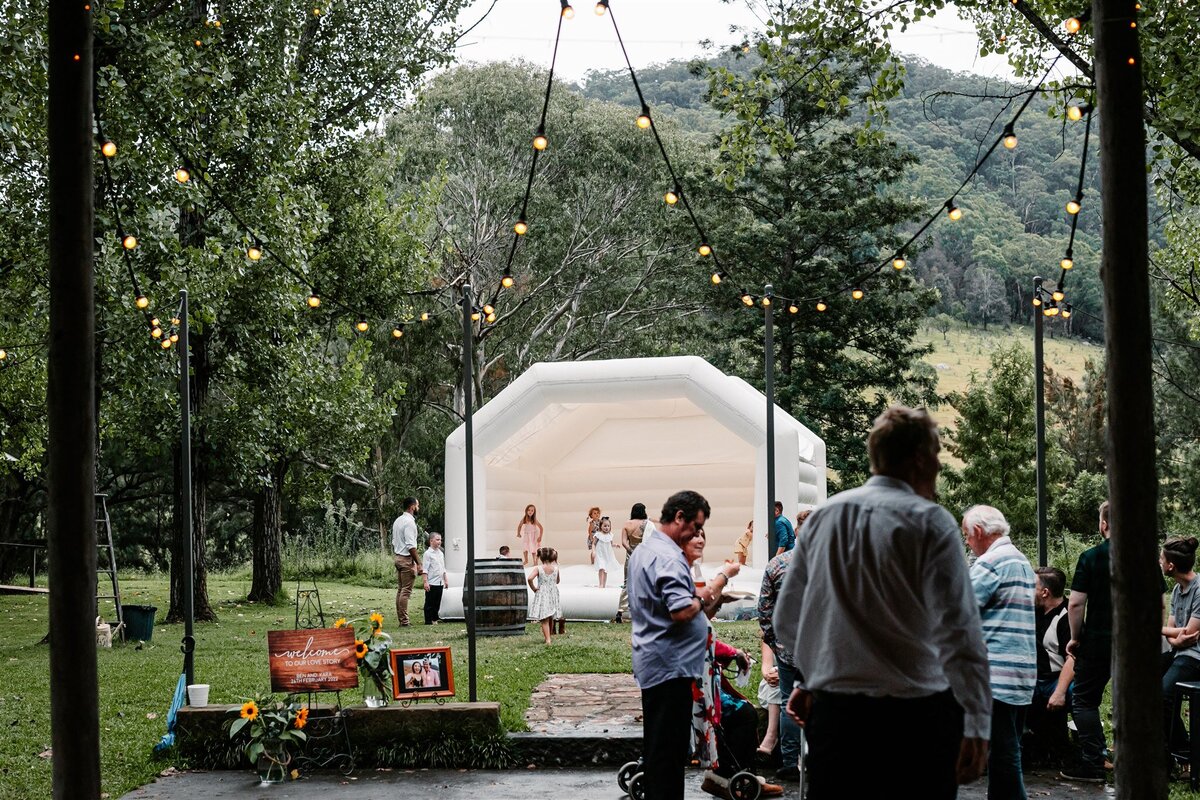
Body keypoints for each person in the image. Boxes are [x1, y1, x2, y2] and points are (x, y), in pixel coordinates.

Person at [774, 405, 991, 800]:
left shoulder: (824, 518)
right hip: (917, 722)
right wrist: (977, 725)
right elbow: (961, 634)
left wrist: (815, 677)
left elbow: (787, 617)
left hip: (837, 720)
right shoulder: (930, 522)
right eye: (938, 458)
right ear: (921, 460)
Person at [628, 491, 739, 800]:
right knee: (668, 754)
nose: (697, 534)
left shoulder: (644, 551)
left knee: (658, 750)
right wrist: (716, 585)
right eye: (695, 526)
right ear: (679, 518)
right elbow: (682, 610)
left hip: (654, 659)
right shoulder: (668, 557)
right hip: (670, 665)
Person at [684, 528, 782, 799]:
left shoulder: (691, 569)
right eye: (694, 535)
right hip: (688, 681)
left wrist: (732, 653)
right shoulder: (680, 571)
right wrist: (724, 577)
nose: (701, 539)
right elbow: (697, 613)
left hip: (699, 676)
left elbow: (705, 630)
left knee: (741, 713)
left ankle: (731, 774)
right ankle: (738, 776)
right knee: (743, 714)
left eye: (703, 533)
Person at [963, 504, 1036, 800]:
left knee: (1005, 756)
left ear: (979, 532)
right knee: (1006, 752)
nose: (967, 542)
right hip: (1019, 672)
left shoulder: (992, 563)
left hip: (996, 675)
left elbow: (959, 608)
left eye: (967, 536)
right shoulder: (1020, 561)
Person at [1061, 500, 1115, 783]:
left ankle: (1092, 763)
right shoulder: (1143, 557)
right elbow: (1158, 605)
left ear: (1104, 524)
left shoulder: (1091, 557)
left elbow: (1075, 604)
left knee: (1084, 699)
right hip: (1134, 643)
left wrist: (1074, 637)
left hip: (1098, 640)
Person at [758, 537, 803, 782]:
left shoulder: (777, 565)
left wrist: (774, 639)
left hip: (787, 647)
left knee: (788, 702)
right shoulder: (830, 562)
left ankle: (789, 762)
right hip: (820, 649)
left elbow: (764, 608)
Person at [1023, 566, 1076, 770]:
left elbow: (1072, 658)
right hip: (1033, 677)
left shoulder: (1067, 617)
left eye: (1031, 586)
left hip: (1057, 678)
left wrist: (1060, 692)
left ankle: (1089, 752)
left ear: (1045, 592)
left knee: (1074, 695)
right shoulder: (1032, 610)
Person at [1160, 536, 1200, 765]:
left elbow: (1191, 633)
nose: (1160, 562)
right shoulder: (1177, 589)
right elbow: (1177, 632)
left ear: (1171, 566)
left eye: (1161, 558)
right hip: (1180, 652)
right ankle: (1179, 747)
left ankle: (1177, 755)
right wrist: (1176, 639)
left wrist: (1171, 634)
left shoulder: (1199, 589)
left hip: (1196, 657)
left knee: (1163, 695)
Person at [391, 497, 424, 627]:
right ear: (412, 507)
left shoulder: (398, 520)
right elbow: (411, 546)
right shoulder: (409, 523)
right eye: (417, 505)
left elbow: (394, 541)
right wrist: (419, 563)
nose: (418, 508)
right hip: (406, 559)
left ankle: (402, 619)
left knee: (400, 590)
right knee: (406, 591)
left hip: (398, 557)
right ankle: (404, 621)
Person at [616, 503, 650, 623]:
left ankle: (620, 611)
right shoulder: (646, 524)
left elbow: (624, 542)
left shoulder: (627, 524)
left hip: (630, 556)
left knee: (627, 582)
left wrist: (631, 551)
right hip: (643, 555)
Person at [527, 546, 561, 645]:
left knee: (544, 619)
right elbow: (558, 581)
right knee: (551, 615)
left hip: (542, 593)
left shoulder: (538, 568)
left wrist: (534, 588)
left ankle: (548, 640)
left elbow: (529, 578)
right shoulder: (556, 569)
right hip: (553, 593)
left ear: (541, 557)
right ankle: (549, 636)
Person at [421, 533, 447, 625]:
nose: (439, 542)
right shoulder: (428, 554)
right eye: (437, 539)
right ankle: (428, 620)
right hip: (432, 582)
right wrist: (425, 582)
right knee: (429, 603)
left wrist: (445, 580)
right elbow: (425, 569)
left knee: (437, 602)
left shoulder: (440, 553)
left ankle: (434, 618)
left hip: (440, 582)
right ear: (431, 541)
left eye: (440, 540)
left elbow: (443, 568)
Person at [593, 516, 620, 588]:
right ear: (601, 526)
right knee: (601, 568)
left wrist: (615, 545)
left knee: (605, 569)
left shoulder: (610, 535)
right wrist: (593, 551)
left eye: (608, 526)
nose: (606, 527)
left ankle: (604, 584)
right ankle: (600, 584)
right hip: (600, 554)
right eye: (605, 526)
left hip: (607, 554)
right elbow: (593, 543)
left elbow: (611, 544)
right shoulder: (598, 534)